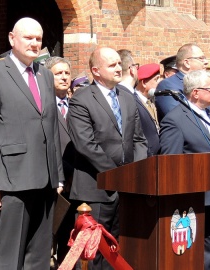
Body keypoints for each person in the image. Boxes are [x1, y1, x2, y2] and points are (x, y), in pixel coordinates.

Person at [0, 17, 64, 270]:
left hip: (46, 180)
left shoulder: (44, 75)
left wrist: (58, 176)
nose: (35, 44)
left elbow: (52, 127)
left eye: (38, 39)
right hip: (14, 179)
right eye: (28, 38)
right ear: (12, 38)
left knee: (39, 253)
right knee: (10, 255)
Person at [67, 47, 148, 270]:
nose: (118, 68)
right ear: (96, 70)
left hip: (125, 189)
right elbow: (86, 144)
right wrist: (117, 175)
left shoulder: (127, 98)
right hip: (96, 189)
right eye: (111, 65)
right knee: (92, 255)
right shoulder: (81, 100)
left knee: (116, 252)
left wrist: (134, 172)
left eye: (119, 63)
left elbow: (139, 140)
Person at [160, 70, 210, 270]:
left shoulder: (209, 116)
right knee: (189, 251)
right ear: (196, 93)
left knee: (208, 247)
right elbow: (171, 162)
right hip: (190, 199)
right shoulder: (175, 119)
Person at [44, 56, 76, 266]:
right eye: (58, 73)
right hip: (53, 182)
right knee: (48, 239)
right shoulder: (43, 106)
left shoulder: (76, 105)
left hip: (76, 182)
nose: (64, 77)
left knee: (69, 238)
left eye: (67, 73)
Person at [116, 49, 160, 156]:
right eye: (136, 67)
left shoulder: (128, 95)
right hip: (141, 160)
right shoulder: (124, 95)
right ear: (132, 70)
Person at [155, 44, 209, 121]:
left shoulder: (206, 84)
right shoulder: (168, 85)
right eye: (201, 58)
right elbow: (179, 119)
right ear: (187, 63)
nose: (206, 62)